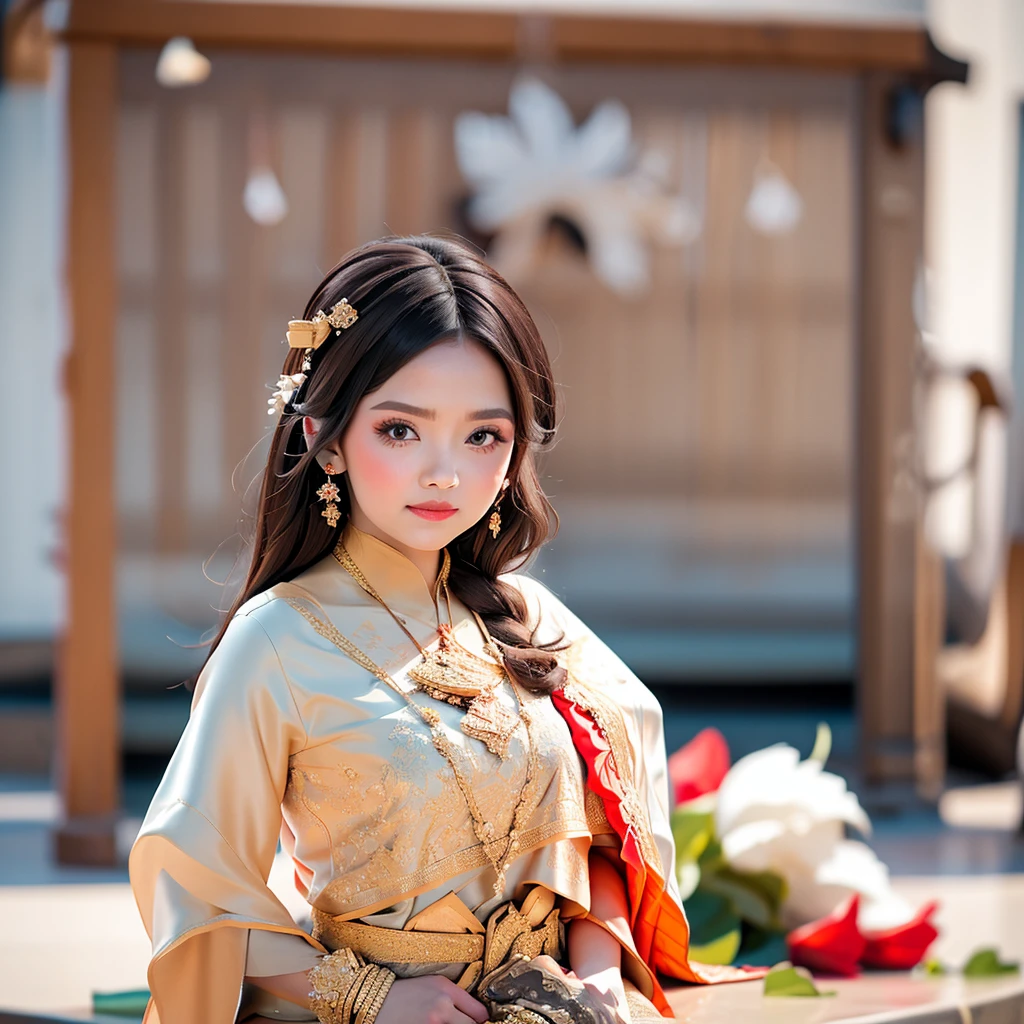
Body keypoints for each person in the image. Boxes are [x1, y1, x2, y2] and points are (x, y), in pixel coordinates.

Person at [129, 236, 732, 1024]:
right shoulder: (275, 641)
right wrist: (370, 997)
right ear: (325, 438)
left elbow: (612, 835)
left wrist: (597, 978)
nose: (445, 472)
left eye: (484, 436)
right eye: (401, 431)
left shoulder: (527, 617)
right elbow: (195, 880)